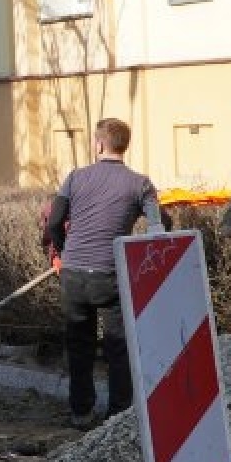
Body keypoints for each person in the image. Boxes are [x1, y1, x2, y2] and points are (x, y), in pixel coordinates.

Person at [44, 117, 165, 428]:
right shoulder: (140, 183)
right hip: (111, 276)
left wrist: (62, 252)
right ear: (125, 145)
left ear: (99, 144)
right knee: (117, 346)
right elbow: (160, 227)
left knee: (79, 345)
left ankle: (81, 413)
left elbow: (55, 222)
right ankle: (118, 417)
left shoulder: (75, 177)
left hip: (73, 275)